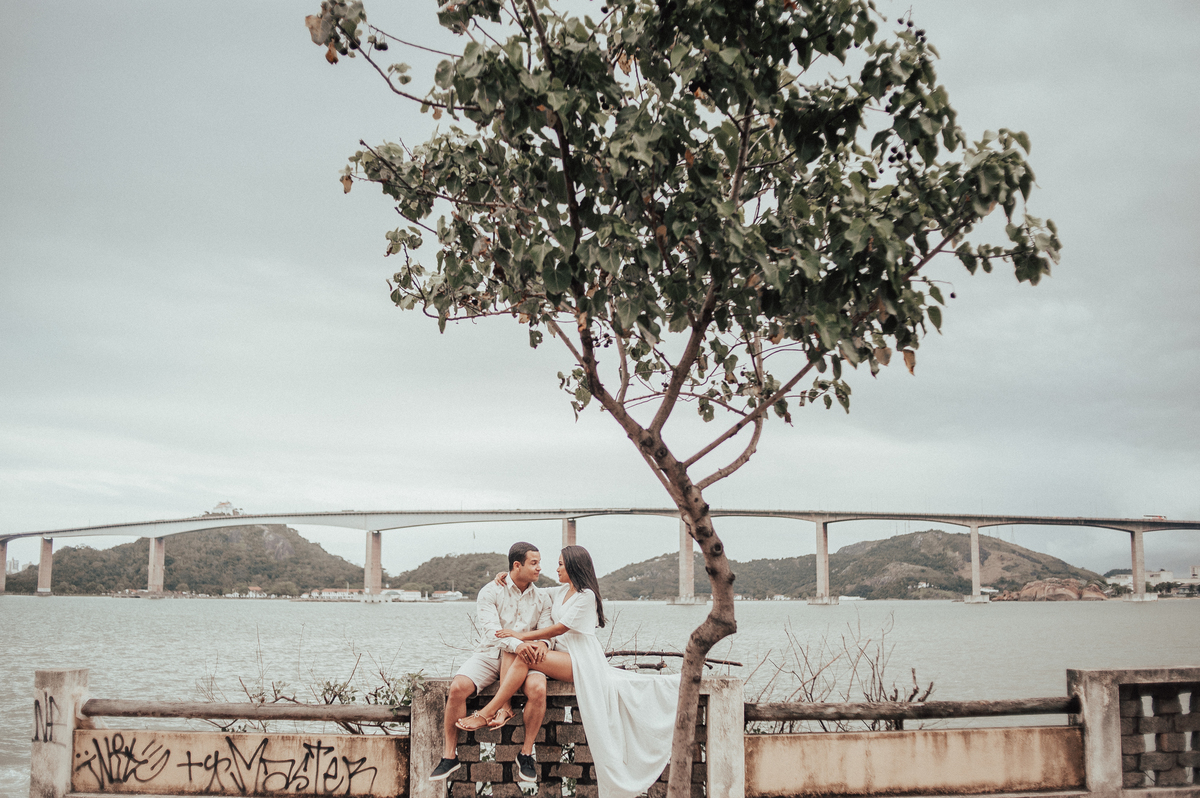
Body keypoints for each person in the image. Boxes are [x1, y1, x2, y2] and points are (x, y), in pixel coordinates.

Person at [466, 545, 680, 798]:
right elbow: (528, 587)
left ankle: (490, 711)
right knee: (522, 654)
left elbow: (558, 629)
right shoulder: (560, 591)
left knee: (524, 656)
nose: (555, 568)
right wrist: (506, 576)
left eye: (560, 564)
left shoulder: (586, 595)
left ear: (573, 567)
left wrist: (520, 635)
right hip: (561, 656)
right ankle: (506, 719)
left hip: (581, 658)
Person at [430, 541, 556, 784]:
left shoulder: (543, 597)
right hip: (490, 653)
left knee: (539, 689)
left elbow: (546, 631)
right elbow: (492, 632)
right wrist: (517, 644)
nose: (540, 568)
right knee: (457, 688)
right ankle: (449, 756)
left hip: (527, 659)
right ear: (517, 565)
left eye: (539, 563)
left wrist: (543, 644)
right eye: (534, 563)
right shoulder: (490, 591)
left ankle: (526, 754)